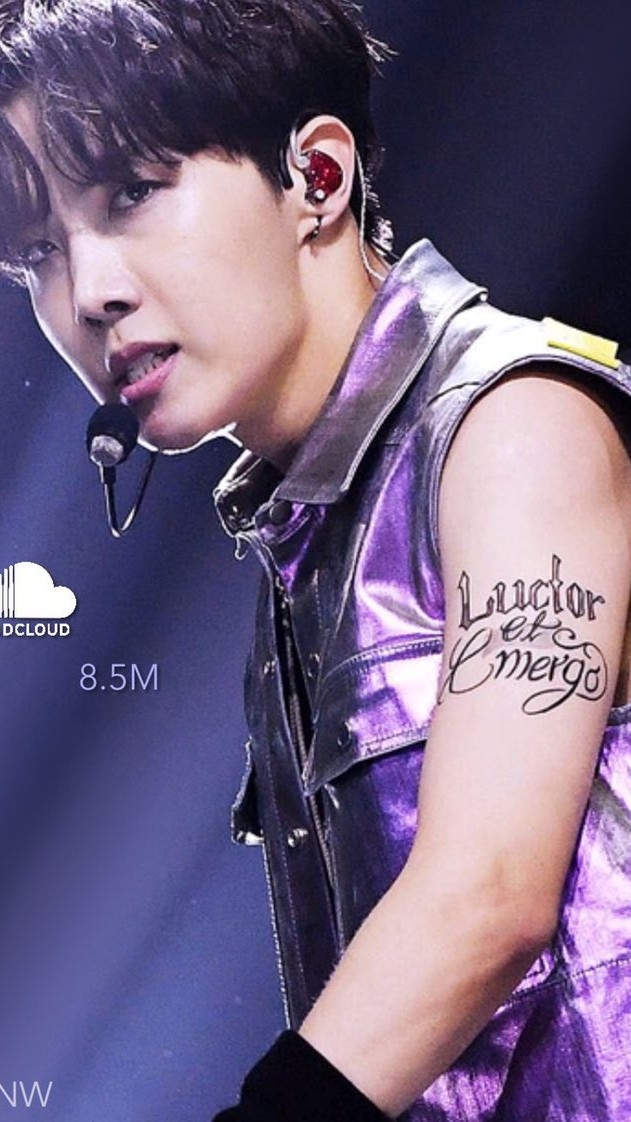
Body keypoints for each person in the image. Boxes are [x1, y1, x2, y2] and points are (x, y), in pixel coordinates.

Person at [1, 1, 631, 1119]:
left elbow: (487, 897)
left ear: (317, 177)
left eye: (132, 194)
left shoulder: (510, 422)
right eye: (40, 251)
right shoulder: (299, 540)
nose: (88, 293)